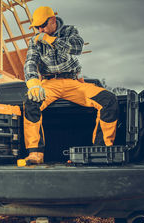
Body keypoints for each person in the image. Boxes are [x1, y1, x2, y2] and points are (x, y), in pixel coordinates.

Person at [23, 6, 118, 164]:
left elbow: (77, 48)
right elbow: (30, 62)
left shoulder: (69, 31)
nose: (40, 29)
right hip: (49, 83)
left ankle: (101, 151)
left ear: (53, 20)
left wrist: (51, 40)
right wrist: (32, 81)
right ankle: (36, 154)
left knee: (108, 100)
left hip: (73, 83)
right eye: (37, 27)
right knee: (31, 102)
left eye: (42, 25)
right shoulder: (35, 41)